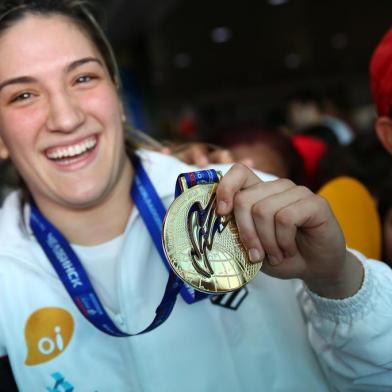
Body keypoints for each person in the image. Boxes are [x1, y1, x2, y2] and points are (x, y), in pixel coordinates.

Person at [0, 1, 390, 391]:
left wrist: (337, 282)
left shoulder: (243, 197)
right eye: (22, 96)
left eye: (83, 78)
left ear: (117, 98)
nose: (66, 118)